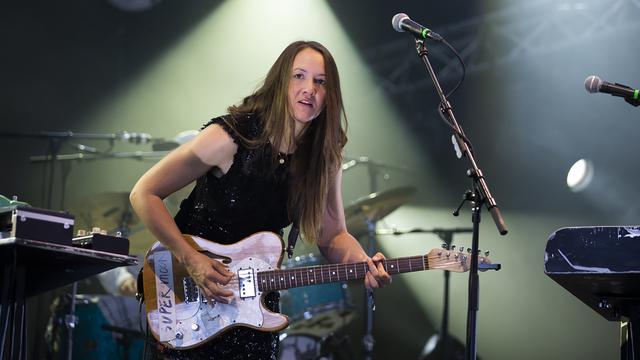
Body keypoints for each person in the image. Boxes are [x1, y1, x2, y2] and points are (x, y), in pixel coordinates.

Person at [129, 40, 391, 359]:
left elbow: (332, 234)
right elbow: (144, 193)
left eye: (320, 82)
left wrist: (362, 263)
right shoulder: (231, 137)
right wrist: (190, 258)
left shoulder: (325, 156)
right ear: (281, 82)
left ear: (330, 94)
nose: (309, 89)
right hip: (190, 294)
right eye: (299, 76)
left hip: (255, 309)